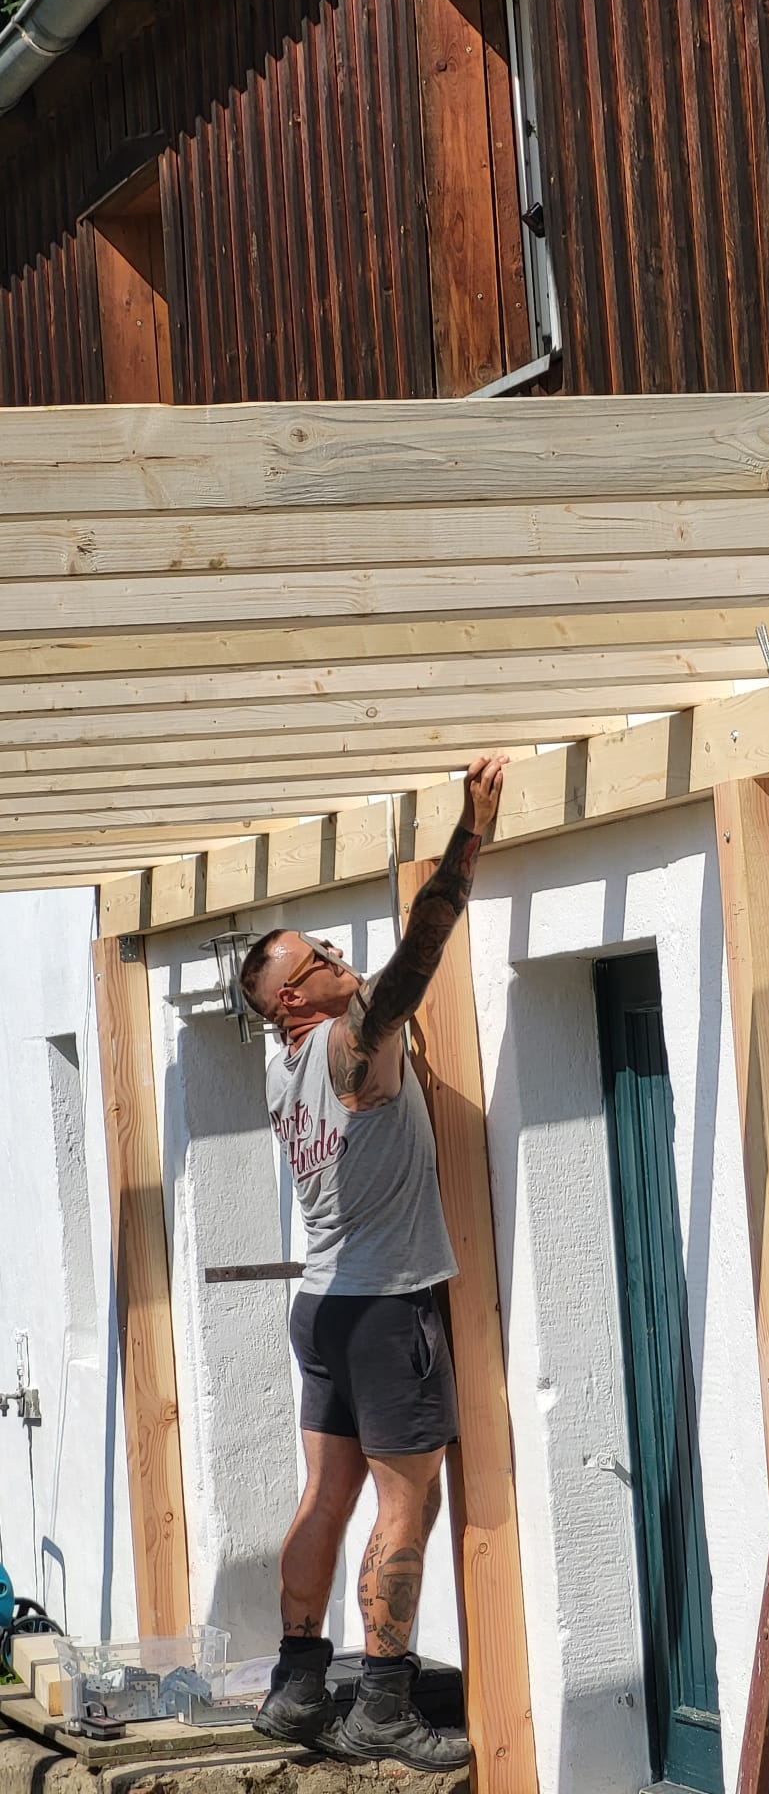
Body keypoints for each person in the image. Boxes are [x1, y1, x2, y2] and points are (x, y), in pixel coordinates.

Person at [237, 755, 507, 1773]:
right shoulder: (351, 1048)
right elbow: (412, 963)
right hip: (390, 1312)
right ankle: (384, 1704)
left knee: (325, 1497)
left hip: (323, 1307)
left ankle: (298, 1684)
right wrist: (468, 838)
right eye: (319, 956)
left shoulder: (282, 1061)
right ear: (299, 996)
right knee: (406, 1504)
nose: (342, 956)